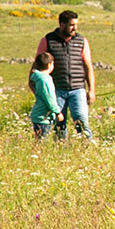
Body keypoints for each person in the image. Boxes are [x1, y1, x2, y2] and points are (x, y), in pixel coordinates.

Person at [31, 10, 96, 139]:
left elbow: (88, 65)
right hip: (57, 89)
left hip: (78, 89)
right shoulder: (48, 40)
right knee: (59, 124)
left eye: (76, 24)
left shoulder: (82, 41)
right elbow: (37, 63)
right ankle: (61, 149)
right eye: (71, 25)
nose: (74, 28)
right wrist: (34, 86)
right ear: (62, 24)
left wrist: (91, 90)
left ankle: (87, 148)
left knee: (81, 121)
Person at [29, 52, 64, 140]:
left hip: (39, 115)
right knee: (41, 141)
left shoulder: (40, 78)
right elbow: (49, 98)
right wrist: (57, 112)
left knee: (39, 139)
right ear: (49, 65)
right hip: (42, 117)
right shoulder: (45, 80)